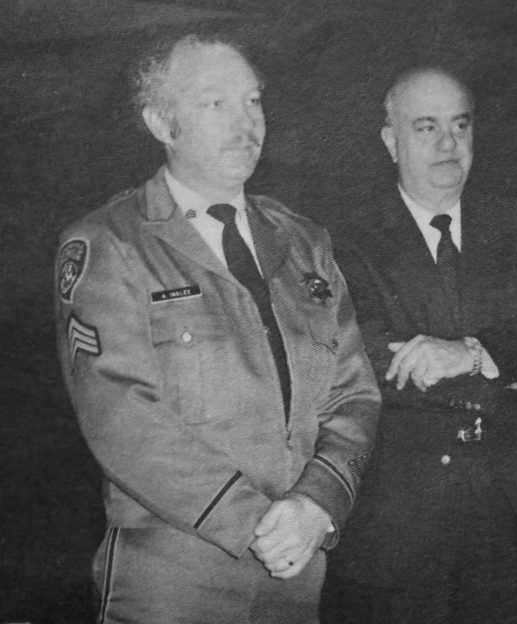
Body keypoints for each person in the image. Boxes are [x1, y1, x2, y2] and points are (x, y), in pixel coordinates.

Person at [54, 32, 380, 623]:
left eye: (253, 100)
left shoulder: (306, 243)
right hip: (172, 577)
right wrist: (252, 519)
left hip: (296, 570)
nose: (246, 122)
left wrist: (317, 502)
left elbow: (353, 394)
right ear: (160, 122)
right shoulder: (110, 243)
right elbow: (119, 413)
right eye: (216, 103)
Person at [327, 67, 517, 624]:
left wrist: (470, 353)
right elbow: (367, 355)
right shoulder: (343, 240)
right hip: (403, 519)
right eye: (426, 128)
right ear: (389, 140)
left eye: (460, 125)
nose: (449, 144)